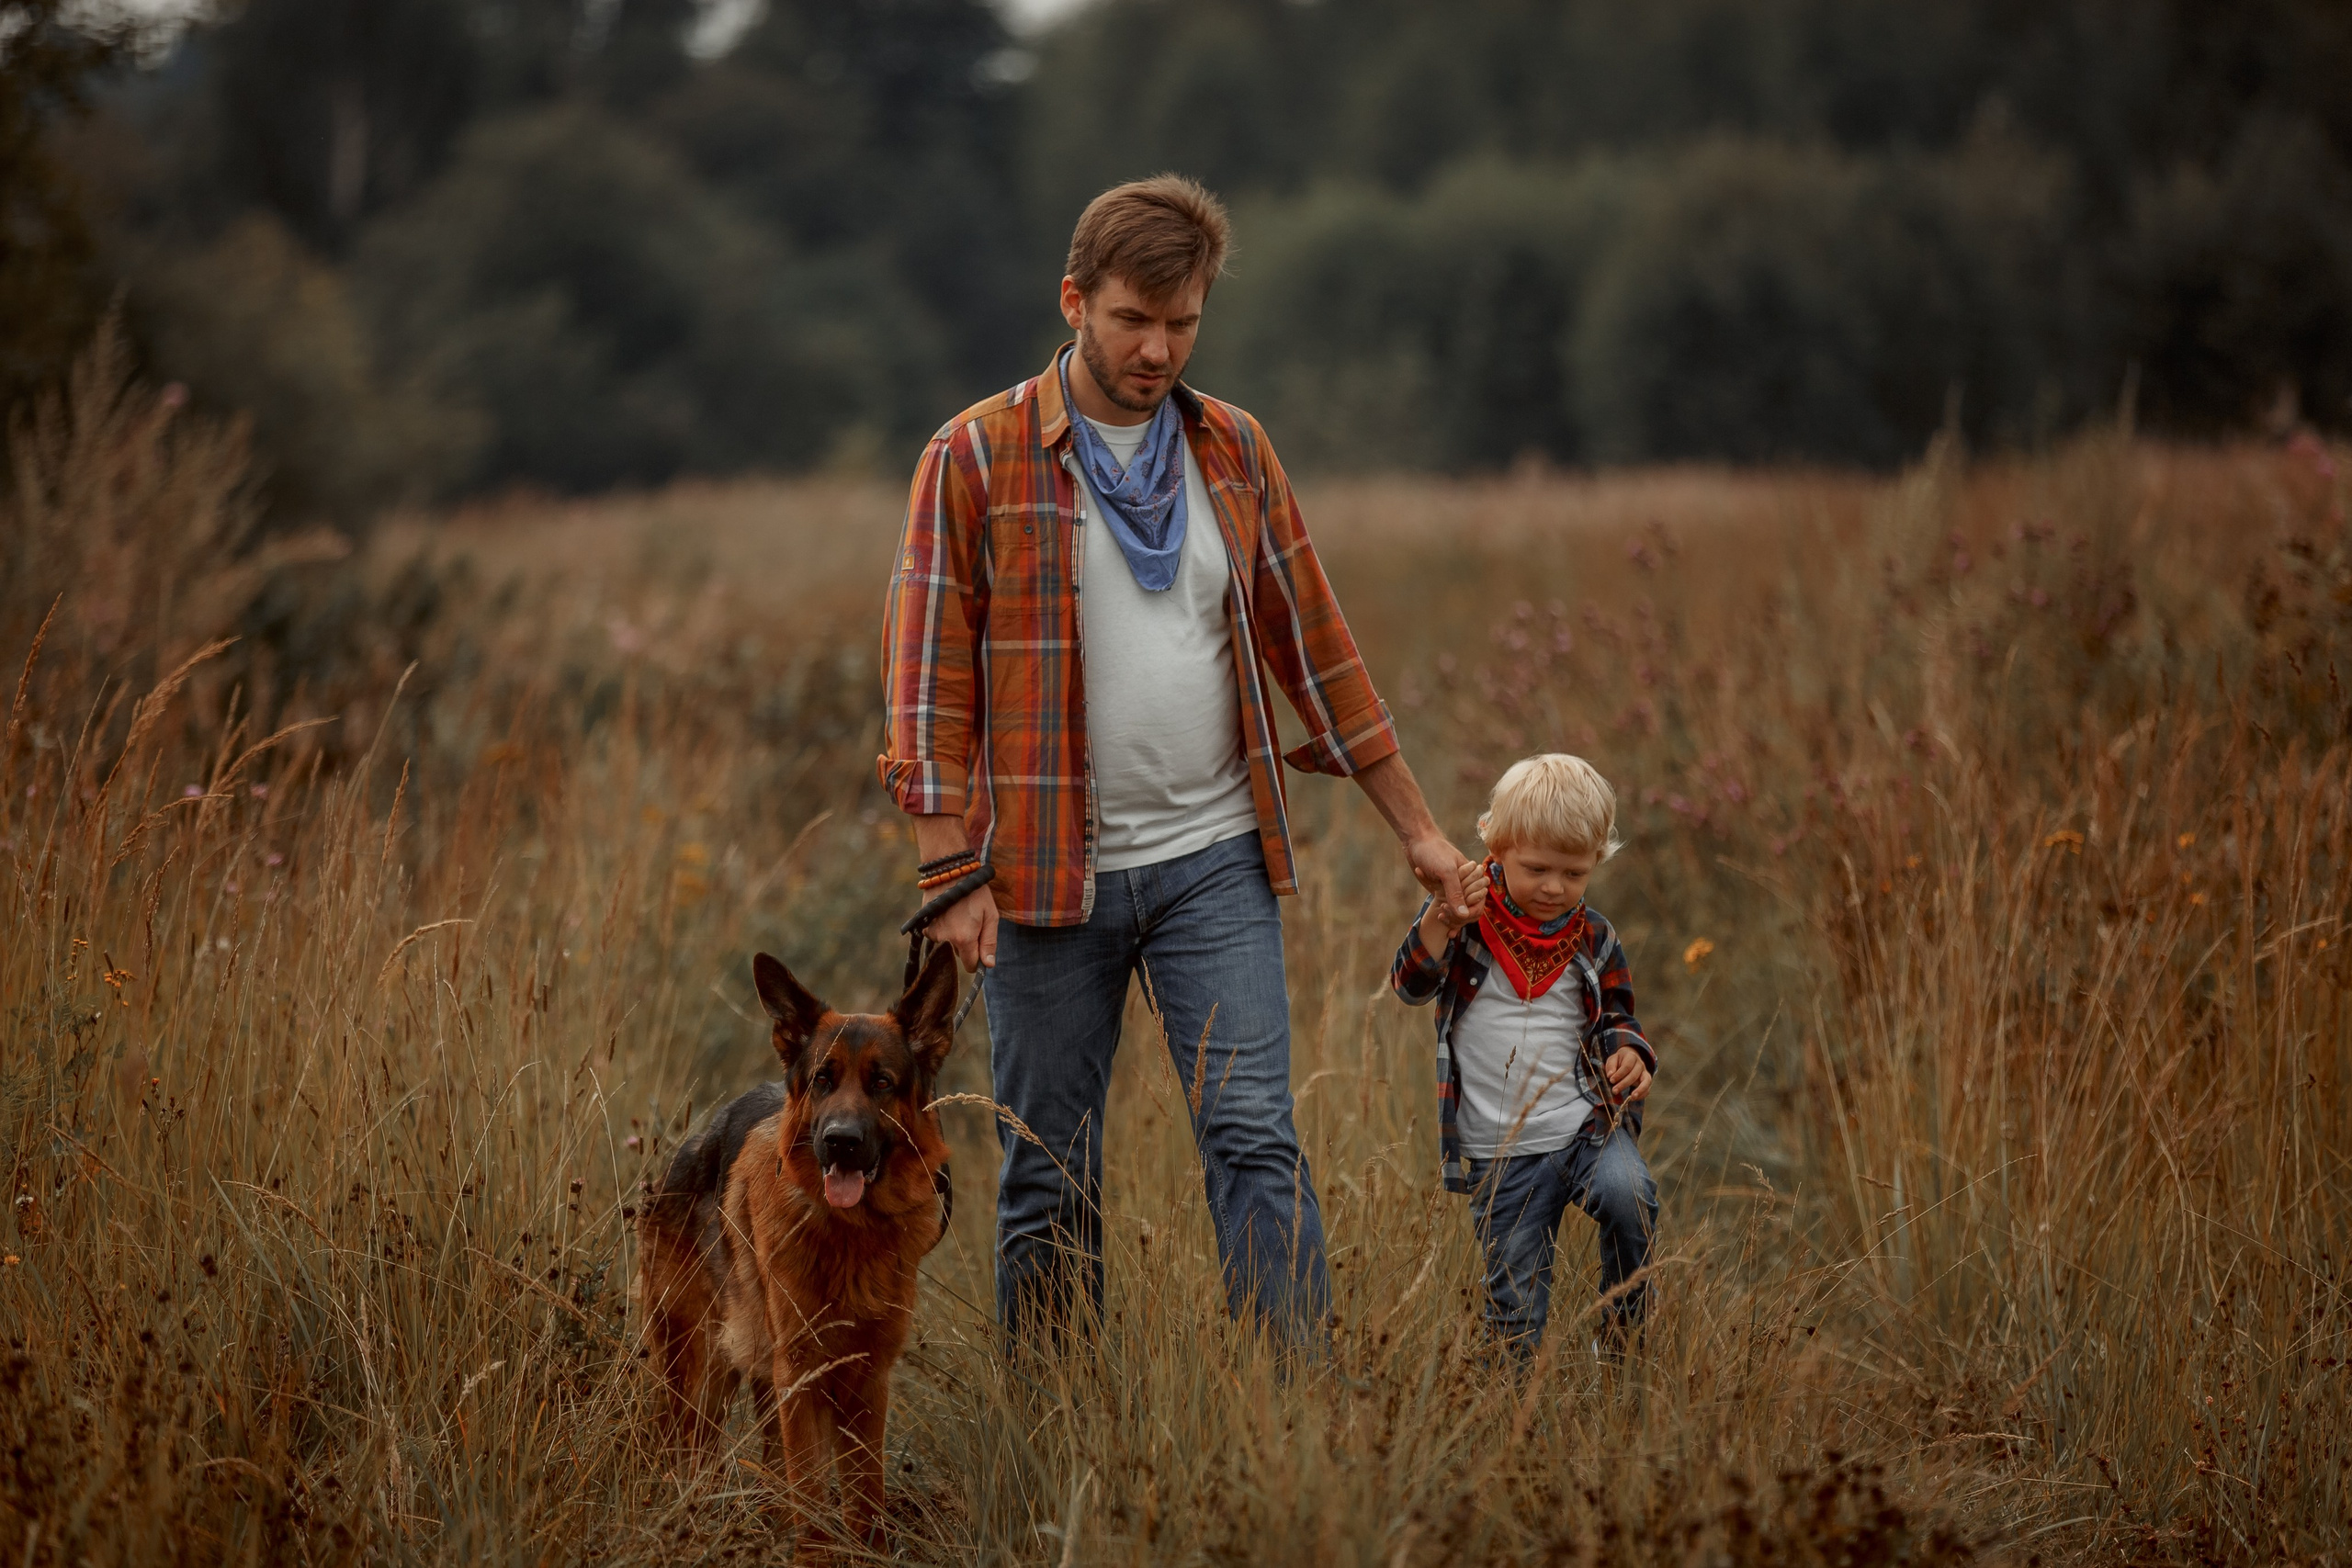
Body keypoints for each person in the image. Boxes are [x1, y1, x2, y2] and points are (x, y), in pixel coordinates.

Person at [876, 174, 1481, 1349]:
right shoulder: (974, 456)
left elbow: (1320, 651)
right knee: (1052, 1168)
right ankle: (1054, 1435)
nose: (1157, 349)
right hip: (1047, 877)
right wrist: (948, 871)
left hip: (1214, 860)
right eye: (1131, 320)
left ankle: (1293, 1419)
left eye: (1182, 322)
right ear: (1074, 302)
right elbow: (924, 673)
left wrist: (1418, 829)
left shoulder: (1233, 450)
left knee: (1254, 1135)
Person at [1388, 753, 1659, 1358]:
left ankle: (1620, 1345)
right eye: (1537, 868)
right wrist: (1440, 916)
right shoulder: (1467, 922)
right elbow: (1410, 984)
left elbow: (1616, 1014)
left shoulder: (1593, 935)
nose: (1555, 887)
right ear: (1496, 843)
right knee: (1515, 1305)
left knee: (1630, 1196)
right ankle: (1512, 1413)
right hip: (1501, 1148)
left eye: (1575, 872)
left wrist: (1628, 1053)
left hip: (1583, 1127)